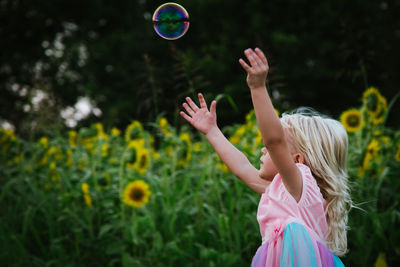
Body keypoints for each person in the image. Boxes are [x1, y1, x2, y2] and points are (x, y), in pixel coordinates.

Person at [180, 48, 351, 266]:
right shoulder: (284, 191)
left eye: (271, 149)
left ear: (297, 161)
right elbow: (242, 168)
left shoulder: (298, 186)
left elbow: (274, 141)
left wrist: (258, 87)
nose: (263, 149)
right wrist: (212, 131)